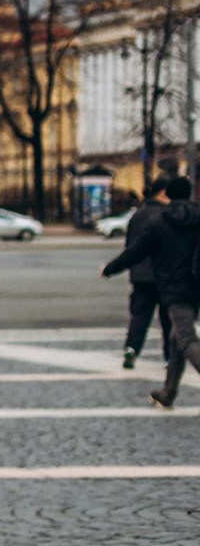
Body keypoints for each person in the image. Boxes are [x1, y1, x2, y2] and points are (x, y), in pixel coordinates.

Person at [103, 174, 199, 410]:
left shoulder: (160, 223)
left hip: (176, 288)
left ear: (168, 195)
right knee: (177, 339)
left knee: (186, 338)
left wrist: (109, 269)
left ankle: (167, 391)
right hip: (196, 286)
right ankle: (167, 393)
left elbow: (135, 252)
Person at [115, 176, 173, 369]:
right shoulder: (165, 215)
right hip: (163, 274)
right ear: (163, 193)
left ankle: (131, 348)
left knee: (139, 316)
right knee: (167, 320)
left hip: (140, 275)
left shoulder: (138, 214)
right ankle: (169, 356)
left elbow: (130, 246)